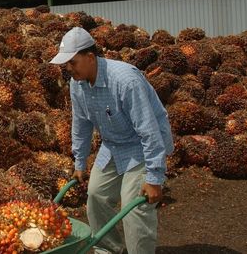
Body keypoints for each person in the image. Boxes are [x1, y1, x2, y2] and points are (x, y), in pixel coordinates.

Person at [50, 27, 174, 254]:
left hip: (142, 146)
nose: (68, 68)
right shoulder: (76, 84)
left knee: (133, 206)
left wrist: (154, 177)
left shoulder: (125, 81)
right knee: (95, 196)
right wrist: (80, 162)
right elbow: (81, 125)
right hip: (113, 145)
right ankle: (108, 250)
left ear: (90, 58)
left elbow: (149, 130)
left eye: (72, 62)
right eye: (65, 64)